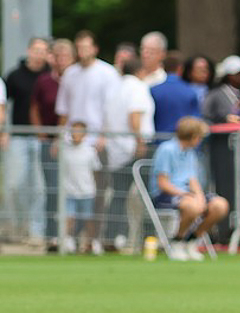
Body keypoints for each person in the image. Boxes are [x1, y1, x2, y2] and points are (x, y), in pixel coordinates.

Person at [55, 31, 122, 251]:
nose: (82, 52)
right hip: (71, 141)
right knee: (69, 191)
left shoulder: (107, 73)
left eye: (86, 47)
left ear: (95, 48)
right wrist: (59, 137)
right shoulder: (70, 74)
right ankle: (68, 238)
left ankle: (93, 239)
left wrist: (103, 135)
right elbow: (64, 110)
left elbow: (111, 108)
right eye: (79, 47)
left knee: (96, 192)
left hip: (95, 141)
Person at [150, 116, 228, 262]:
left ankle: (192, 241)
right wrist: (186, 194)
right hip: (166, 194)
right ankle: (177, 241)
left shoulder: (191, 153)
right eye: (199, 137)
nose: (200, 140)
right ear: (193, 136)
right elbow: (163, 183)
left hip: (187, 193)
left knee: (220, 205)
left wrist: (199, 196)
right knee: (192, 207)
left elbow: (192, 179)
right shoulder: (166, 149)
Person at [104, 57, 156, 243]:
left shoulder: (115, 89)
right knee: (147, 194)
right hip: (135, 148)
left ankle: (113, 235)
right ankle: (149, 236)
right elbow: (135, 115)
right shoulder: (138, 87)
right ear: (140, 70)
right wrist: (139, 142)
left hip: (116, 148)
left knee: (118, 194)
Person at [4, 37, 50, 244]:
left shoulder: (50, 75)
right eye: (36, 50)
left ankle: (36, 230)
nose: (39, 54)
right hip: (19, 137)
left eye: (43, 50)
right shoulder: (14, 76)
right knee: (15, 184)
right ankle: (19, 225)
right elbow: (4, 105)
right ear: (29, 51)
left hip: (42, 139)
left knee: (39, 187)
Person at [32, 39, 76, 242]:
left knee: (76, 188)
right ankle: (51, 234)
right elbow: (34, 107)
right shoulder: (43, 81)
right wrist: (41, 132)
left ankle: (72, 235)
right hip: (49, 141)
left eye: (65, 56)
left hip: (73, 141)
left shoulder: (77, 78)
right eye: (57, 56)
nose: (61, 61)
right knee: (51, 188)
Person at [59, 121, 101, 255]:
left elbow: (96, 171)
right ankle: (67, 241)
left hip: (86, 191)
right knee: (69, 218)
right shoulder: (64, 150)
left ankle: (91, 243)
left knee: (88, 219)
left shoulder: (90, 151)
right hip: (69, 191)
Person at [151, 54, 201, 134]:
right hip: (184, 139)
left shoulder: (153, 90)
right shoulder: (190, 90)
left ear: (163, 68)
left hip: (159, 138)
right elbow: (196, 118)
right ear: (180, 68)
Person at [203, 56, 240, 124]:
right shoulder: (215, 94)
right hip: (221, 133)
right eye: (238, 73)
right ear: (228, 75)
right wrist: (223, 119)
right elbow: (206, 115)